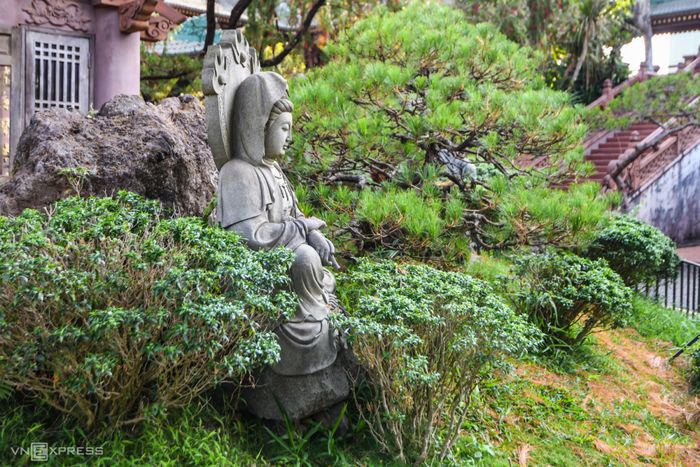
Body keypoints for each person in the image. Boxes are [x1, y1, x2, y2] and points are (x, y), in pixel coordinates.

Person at [216, 71, 340, 377]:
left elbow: (293, 216)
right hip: (262, 274)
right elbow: (248, 235)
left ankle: (318, 312)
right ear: (260, 127)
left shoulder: (275, 172)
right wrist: (302, 232)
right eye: (284, 128)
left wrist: (312, 234)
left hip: (294, 276)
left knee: (313, 259)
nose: (289, 137)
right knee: (305, 258)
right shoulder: (238, 172)